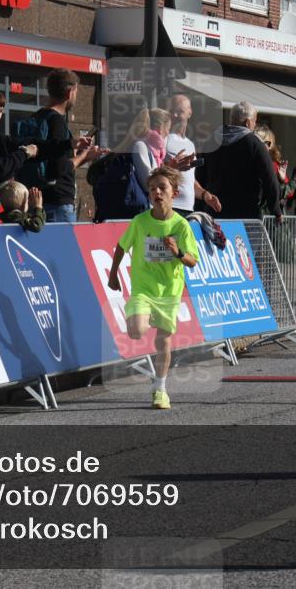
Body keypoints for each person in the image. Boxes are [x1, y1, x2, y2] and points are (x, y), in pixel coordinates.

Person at [107, 166, 199, 410]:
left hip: (169, 291)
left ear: (174, 193)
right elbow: (121, 247)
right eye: (152, 189)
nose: (157, 192)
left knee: (164, 343)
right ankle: (142, 322)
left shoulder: (181, 226)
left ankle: (160, 389)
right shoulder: (140, 221)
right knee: (136, 330)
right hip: (143, 289)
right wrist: (114, 274)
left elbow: (192, 260)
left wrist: (177, 252)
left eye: (162, 188)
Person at [19, 68, 99, 223]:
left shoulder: (36, 117)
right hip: (58, 203)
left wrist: (79, 154)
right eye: (76, 92)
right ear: (70, 93)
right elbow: (60, 168)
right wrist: (85, 155)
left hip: (37, 200)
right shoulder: (57, 122)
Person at [203, 101, 281, 222]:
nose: (254, 125)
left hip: (214, 210)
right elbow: (269, 178)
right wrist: (276, 210)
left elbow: (200, 173)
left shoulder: (211, 140)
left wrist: (201, 201)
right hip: (246, 213)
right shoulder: (254, 143)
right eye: (255, 121)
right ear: (248, 122)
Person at [0, 86, 38, 223]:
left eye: (1, 111)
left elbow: (29, 144)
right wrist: (25, 153)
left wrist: (68, 143)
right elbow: (0, 168)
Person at [166, 94, 220, 215]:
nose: (174, 115)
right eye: (171, 111)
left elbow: (190, 180)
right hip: (169, 208)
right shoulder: (164, 140)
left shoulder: (190, 144)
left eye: (179, 111)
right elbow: (154, 174)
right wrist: (172, 167)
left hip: (188, 208)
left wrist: (205, 194)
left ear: (189, 113)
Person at [129, 108, 172, 190]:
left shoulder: (157, 151)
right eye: (168, 129)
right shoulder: (141, 146)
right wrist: (172, 170)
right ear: (160, 128)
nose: (168, 133)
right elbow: (148, 185)